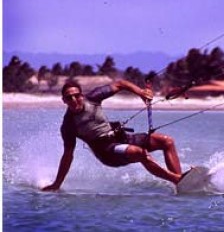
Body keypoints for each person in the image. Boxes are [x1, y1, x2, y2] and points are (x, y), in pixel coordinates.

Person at [42, 79, 185, 191]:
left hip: (121, 138)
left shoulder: (93, 98)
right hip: (107, 152)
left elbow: (120, 84)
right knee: (139, 153)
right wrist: (57, 184)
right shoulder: (69, 125)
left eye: (76, 96)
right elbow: (68, 156)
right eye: (69, 98)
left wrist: (141, 93)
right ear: (64, 101)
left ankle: (182, 185)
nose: (73, 100)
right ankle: (177, 179)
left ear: (82, 95)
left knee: (167, 141)